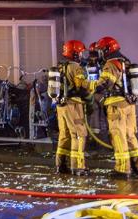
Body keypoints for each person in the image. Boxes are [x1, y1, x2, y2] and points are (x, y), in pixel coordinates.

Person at [92, 36, 138, 178]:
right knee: (130, 136)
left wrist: (90, 86)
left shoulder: (111, 64)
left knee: (118, 136)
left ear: (107, 50)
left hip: (116, 106)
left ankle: (122, 169)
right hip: (130, 104)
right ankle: (137, 167)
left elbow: (105, 84)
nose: (100, 53)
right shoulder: (125, 61)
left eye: (101, 50)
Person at [55, 39, 94, 176]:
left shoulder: (60, 66)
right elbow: (82, 86)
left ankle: (61, 165)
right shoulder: (75, 67)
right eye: (80, 53)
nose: (82, 56)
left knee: (64, 135)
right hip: (73, 104)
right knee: (79, 134)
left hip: (61, 105)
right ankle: (77, 167)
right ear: (75, 54)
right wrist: (90, 100)